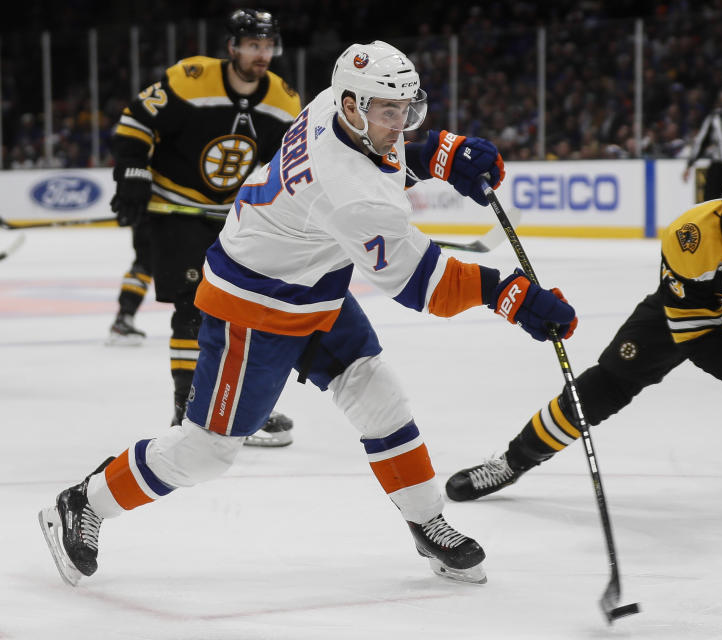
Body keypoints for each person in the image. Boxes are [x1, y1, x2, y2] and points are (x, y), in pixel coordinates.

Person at [38, 40, 577, 588]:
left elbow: (384, 155)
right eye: (390, 112)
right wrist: (512, 295)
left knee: (380, 397)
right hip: (255, 306)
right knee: (206, 452)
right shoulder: (354, 196)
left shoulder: (333, 104)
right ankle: (83, 501)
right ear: (352, 106)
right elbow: (426, 286)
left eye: (408, 110)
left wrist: (440, 152)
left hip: (311, 283)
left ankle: (425, 519)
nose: (401, 124)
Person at [446, 154, 722, 521]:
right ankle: (512, 462)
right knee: (608, 382)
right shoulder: (690, 235)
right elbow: (696, 333)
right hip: (686, 313)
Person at [106, 9, 301, 446]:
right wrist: (133, 172)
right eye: (253, 44)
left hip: (231, 216)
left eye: (268, 45)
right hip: (175, 209)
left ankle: (238, 410)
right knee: (194, 310)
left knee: (247, 311)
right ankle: (189, 417)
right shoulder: (191, 78)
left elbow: (290, 163)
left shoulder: (284, 101)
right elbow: (137, 120)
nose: (262, 54)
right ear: (232, 47)